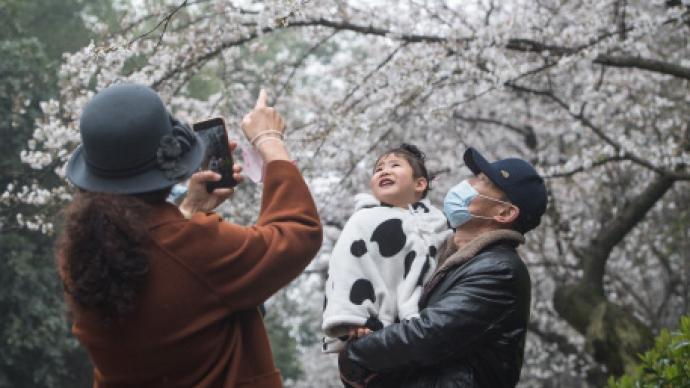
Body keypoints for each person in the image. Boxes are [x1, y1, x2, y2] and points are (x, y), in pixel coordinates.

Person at [57, 83, 322, 387]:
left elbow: (160, 260)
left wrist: (189, 209)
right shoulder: (196, 247)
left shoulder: (81, 260)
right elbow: (298, 233)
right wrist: (269, 140)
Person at [338, 147, 548, 388]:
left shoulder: (500, 269)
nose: (465, 184)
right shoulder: (439, 257)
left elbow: (428, 335)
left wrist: (356, 354)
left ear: (505, 213)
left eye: (481, 181)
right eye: (473, 177)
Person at [322, 144, 451, 353]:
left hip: (423, 323)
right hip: (375, 324)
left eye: (395, 165)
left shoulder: (436, 224)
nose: (385, 171)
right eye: (379, 168)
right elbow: (346, 268)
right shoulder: (363, 220)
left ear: (420, 184)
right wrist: (354, 319)